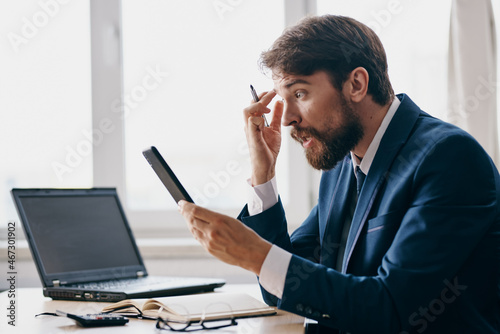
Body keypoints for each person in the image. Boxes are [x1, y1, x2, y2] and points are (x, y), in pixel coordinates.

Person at [178, 15, 500, 333]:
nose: (287, 118)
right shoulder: (343, 167)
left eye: (300, 94)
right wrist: (263, 174)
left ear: (356, 85)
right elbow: (284, 288)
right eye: (282, 99)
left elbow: (392, 309)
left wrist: (258, 255)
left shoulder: (449, 158)